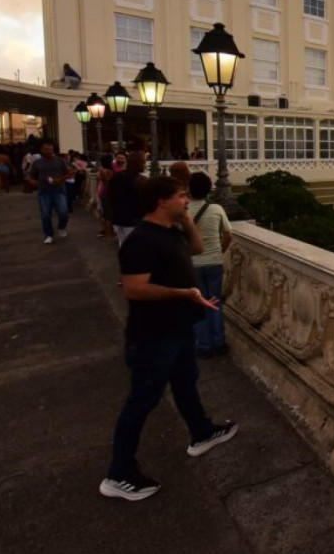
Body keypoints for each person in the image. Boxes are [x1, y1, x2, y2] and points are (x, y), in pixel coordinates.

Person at [99, 176, 237, 501]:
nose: (187, 200)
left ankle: (201, 432)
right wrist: (183, 293)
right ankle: (118, 474)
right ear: (162, 201)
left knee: (186, 382)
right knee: (142, 401)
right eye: (181, 196)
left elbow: (198, 247)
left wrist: (187, 219)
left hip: (177, 328)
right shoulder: (141, 240)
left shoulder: (169, 231)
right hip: (152, 335)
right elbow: (134, 288)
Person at [188, 172, 232, 357]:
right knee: (215, 302)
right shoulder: (216, 209)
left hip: (193, 264)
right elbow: (228, 234)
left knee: (199, 304)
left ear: (189, 189)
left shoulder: (184, 211)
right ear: (209, 189)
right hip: (214, 262)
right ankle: (220, 342)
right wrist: (219, 251)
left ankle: (204, 346)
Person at [26, 140, 73, 244]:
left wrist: (60, 179)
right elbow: (31, 176)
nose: (48, 151)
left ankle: (62, 227)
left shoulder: (60, 161)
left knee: (63, 212)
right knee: (45, 214)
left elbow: (69, 173)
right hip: (44, 191)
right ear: (42, 150)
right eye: (46, 149)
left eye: (50, 149)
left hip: (59, 190)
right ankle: (48, 234)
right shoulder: (37, 163)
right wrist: (35, 183)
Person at [107, 151, 146, 247]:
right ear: (137, 163)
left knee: (124, 246)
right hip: (133, 221)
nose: (145, 165)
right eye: (143, 162)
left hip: (119, 219)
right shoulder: (140, 180)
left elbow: (110, 197)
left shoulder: (116, 177)